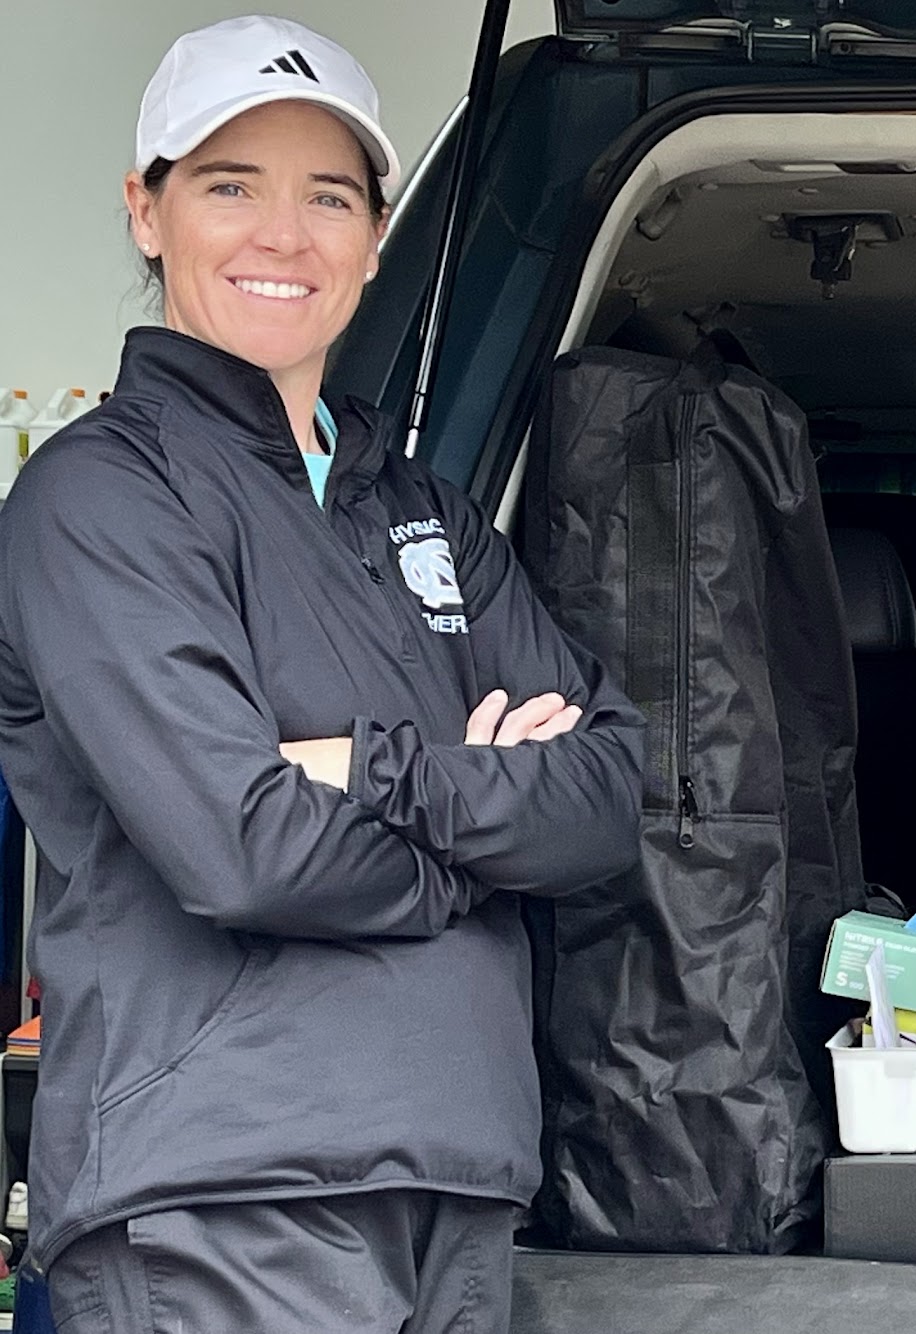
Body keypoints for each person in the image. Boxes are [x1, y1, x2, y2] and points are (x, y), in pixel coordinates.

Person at [0, 16, 645, 1331]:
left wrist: (373, 772)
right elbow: (242, 849)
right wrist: (483, 840)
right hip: (221, 1191)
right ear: (147, 211)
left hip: (460, 1179)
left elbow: (603, 797)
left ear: (375, 234)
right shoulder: (99, 498)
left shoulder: (425, 510)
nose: (283, 236)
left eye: (330, 197)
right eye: (230, 186)